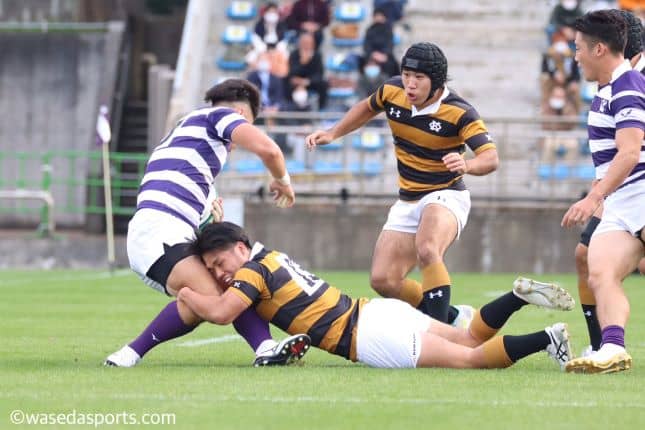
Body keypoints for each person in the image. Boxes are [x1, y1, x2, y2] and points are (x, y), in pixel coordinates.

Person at [177, 222, 575, 370]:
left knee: (471, 359)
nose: (219, 273)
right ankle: (516, 296)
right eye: (211, 269)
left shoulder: (251, 271)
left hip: (368, 336)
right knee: (469, 336)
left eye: (219, 262)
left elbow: (223, 313)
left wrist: (186, 292)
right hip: (376, 312)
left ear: (241, 248)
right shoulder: (272, 257)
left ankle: (547, 338)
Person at [104, 79, 308, 368]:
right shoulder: (219, 116)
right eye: (247, 124)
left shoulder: (189, 139)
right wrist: (282, 180)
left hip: (158, 231)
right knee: (225, 297)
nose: (235, 146)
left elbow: (192, 206)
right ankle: (265, 349)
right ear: (239, 114)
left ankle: (128, 355)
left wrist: (210, 219)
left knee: (213, 297)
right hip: (159, 229)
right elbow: (270, 151)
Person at [305, 43, 499, 326]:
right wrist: (333, 133)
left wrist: (467, 164)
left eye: (418, 77)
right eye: (407, 74)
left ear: (437, 81)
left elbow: (491, 158)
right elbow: (366, 107)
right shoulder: (392, 90)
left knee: (428, 248)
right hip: (408, 198)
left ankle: (439, 334)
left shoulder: (460, 112)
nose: (410, 83)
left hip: (445, 194)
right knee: (383, 279)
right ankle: (455, 319)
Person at [562, 10, 645, 374]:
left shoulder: (627, 85)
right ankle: (612, 347)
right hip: (622, 204)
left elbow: (629, 153)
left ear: (599, 49)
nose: (575, 55)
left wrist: (593, 197)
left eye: (579, 47)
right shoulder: (609, 88)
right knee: (600, 272)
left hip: (640, 194)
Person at [287, 32, 328, 109]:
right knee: (285, 83)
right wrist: (303, 62)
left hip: (310, 82)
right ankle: (289, 108)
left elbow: (319, 74)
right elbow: (291, 72)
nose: (306, 45)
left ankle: (322, 108)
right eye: (304, 43)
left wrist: (307, 81)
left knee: (323, 84)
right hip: (296, 82)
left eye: (308, 43)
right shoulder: (294, 54)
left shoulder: (317, 56)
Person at [362, 7, 399, 77]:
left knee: (391, 65)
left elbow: (389, 44)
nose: (379, 18)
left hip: (385, 55)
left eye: (380, 16)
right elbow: (367, 45)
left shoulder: (388, 30)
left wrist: (384, 55)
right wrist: (372, 54)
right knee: (363, 63)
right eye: (377, 16)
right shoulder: (369, 30)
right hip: (371, 55)